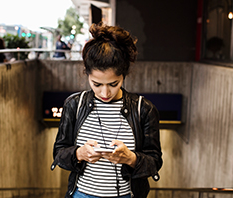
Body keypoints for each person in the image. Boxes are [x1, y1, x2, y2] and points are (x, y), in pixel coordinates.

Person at [51, 22, 163, 198]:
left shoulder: (144, 109)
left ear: (123, 75)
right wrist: (79, 153)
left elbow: (154, 161)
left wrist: (130, 158)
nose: (105, 93)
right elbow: (59, 153)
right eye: (96, 84)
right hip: (81, 194)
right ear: (87, 74)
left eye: (113, 84)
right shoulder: (74, 104)